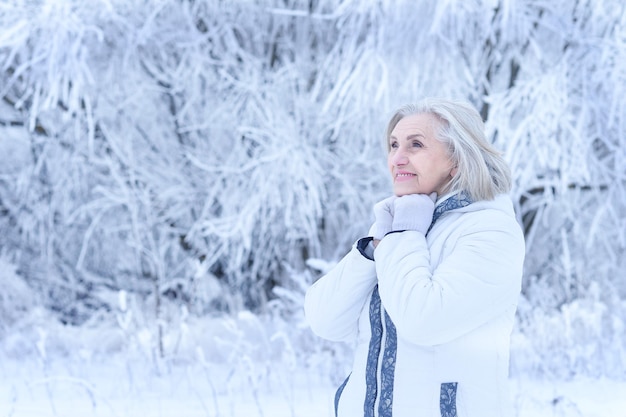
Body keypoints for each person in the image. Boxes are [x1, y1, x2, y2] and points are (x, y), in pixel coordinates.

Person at [304, 98, 525, 417]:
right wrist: (372, 249)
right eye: (393, 145)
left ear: (457, 160)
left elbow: (424, 321)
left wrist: (402, 236)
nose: (398, 158)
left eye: (415, 145)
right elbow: (325, 321)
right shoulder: (402, 228)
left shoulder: (490, 231)